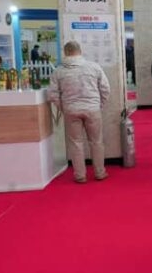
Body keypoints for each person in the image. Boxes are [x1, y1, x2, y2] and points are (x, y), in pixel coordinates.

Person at [47, 41, 111, 184]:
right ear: (80, 51)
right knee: (96, 141)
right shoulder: (94, 67)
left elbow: (52, 95)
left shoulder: (58, 71)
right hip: (92, 109)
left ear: (65, 52)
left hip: (71, 109)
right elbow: (106, 89)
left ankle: (80, 175)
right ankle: (100, 172)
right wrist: (99, 104)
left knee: (75, 142)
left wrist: (63, 107)